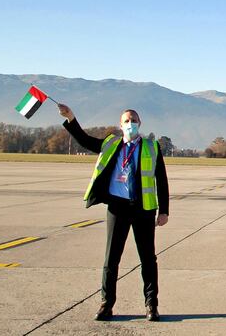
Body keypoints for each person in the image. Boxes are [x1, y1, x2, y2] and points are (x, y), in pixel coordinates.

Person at [57, 104, 169, 322]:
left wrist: (163, 211)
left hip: (143, 208)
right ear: (120, 125)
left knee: (148, 258)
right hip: (117, 207)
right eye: (126, 121)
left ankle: (151, 305)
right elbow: (86, 140)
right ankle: (106, 304)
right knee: (111, 259)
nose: (130, 124)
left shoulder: (152, 147)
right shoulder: (110, 144)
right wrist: (71, 117)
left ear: (140, 124)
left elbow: (161, 181)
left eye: (134, 120)